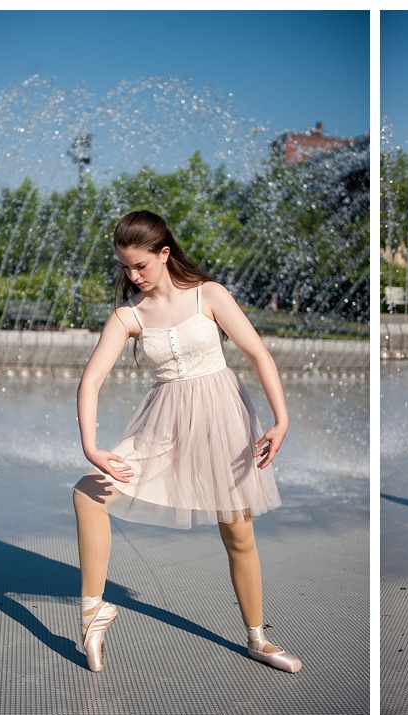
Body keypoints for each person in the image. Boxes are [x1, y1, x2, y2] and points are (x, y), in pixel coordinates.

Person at [72, 210, 301, 673]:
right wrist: (91, 447)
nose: (132, 276)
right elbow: (91, 381)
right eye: (125, 267)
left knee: (238, 532)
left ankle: (258, 638)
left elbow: (258, 353)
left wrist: (282, 419)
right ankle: (94, 610)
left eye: (141, 265)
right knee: (88, 493)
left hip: (223, 421)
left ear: (164, 253)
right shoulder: (127, 316)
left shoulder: (208, 296)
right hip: (163, 425)